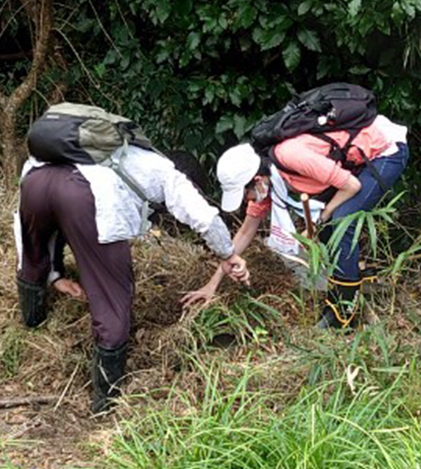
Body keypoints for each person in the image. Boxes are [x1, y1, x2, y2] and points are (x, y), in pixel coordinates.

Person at [15, 140, 249, 413]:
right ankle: (106, 402)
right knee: (112, 295)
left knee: (33, 255)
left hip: (33, 181)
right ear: (192, 181)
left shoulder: (116, 153)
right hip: (85, 194)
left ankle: (31, 327)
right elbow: (204, 218)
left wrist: (54, 276)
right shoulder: (165, 173)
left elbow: (36, 235)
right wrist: (227, 253)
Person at [190, 109, 410, 328]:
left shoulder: (291, 157)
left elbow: (352, 186)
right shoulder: (270, 181)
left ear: (256, 180)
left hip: (384, 150)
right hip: (354, 161)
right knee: (329, 225)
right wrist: (213, 283)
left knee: (340, 221)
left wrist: (318, 221)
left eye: (245, 194)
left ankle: (344, 311)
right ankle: (356, 278)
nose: (248, 200)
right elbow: (246, 231)